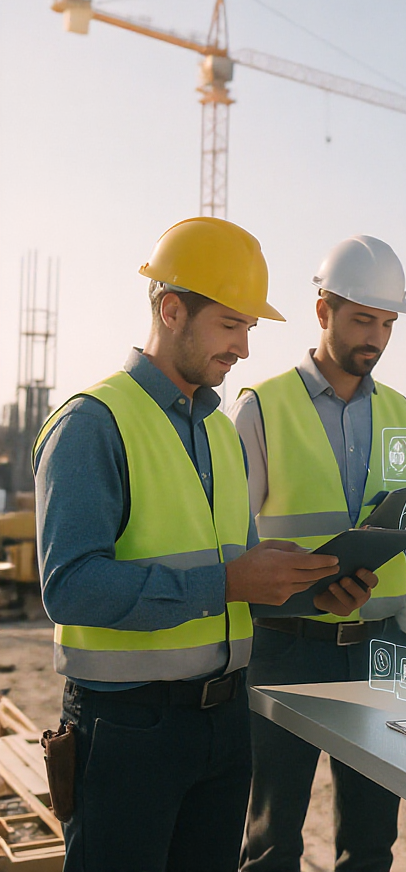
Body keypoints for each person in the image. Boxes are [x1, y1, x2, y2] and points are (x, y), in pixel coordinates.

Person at [34, 217, 346, 872]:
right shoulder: (92, 424)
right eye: (231, 325)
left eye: (249, 329)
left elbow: (238, 574)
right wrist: (227, 583)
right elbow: (70, 589)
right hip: (126, 729)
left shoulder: (220, 432)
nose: (244, 349)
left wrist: (310, 592)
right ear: (171, 311)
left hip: (226, 724)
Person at [233, 235, 406, 872]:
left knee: (371, 841)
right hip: (284, 646)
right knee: (270, 839)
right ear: (323, 311)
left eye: (387, 323)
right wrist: (303, 584)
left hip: (381, 646)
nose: (376, 338)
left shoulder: (402, 412)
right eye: (363, 319)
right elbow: (231, 538)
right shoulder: (261, 407)